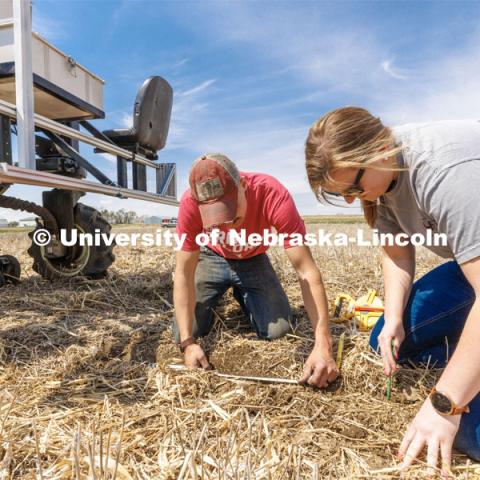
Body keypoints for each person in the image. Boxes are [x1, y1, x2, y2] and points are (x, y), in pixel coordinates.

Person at [304, 107, 480, 476]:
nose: (353, 200)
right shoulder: (383, 180)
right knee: (387, 343)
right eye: (342, 194)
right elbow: (397, 252)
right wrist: (394, 320)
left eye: (353, 187)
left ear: (379, 148)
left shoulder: (444, 172)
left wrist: (444, 403)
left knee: (467, 431)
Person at [173, 153, 338, 388]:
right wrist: (188, 343)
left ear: (243, 184)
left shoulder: (271, 193)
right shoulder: (190, 202)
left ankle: (244, 292)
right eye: (216, 216)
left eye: (230, 211)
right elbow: (183, 274)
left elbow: (306, 272)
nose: (227, 225)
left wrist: (323, 344)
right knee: (183, 330)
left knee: (279, 330)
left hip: (253, 258)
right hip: (212, 256)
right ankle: (220, 290)